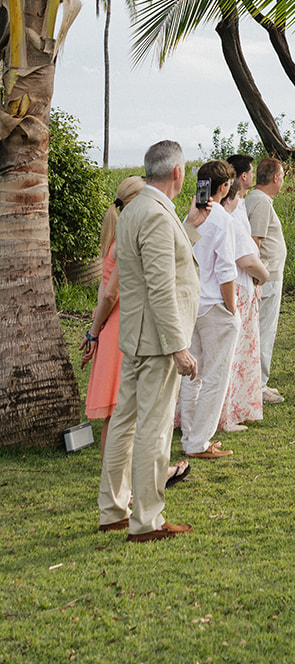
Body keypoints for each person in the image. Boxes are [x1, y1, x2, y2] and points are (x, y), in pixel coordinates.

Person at [96, 140, 201, 541]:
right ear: (178, 173)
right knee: (153, 429)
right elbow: (160, 286)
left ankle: (112, 508)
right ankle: (147, 519)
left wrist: (190, 225)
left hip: (136, 335)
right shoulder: (154, 213)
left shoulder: (136, 210)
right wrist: (179, 347)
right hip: (157, 340)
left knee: (124, 421)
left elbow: (159, 265)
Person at [179, 161, 240, 461]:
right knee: (215, 375)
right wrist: (232, 308)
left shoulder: (189, 217)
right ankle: (198, 440)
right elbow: (226, 269)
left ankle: (191, 435)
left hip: (192, 302)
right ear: (224, 187)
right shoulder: (222, 220)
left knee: (194, 373)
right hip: (215, 303)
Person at [82, 177, 145, 450]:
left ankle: (118, 475)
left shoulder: (115, 239)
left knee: (118, 412)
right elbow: (110, 295)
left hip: (113, 330)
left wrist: (95, 332)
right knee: (121, 412)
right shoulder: (125, 243)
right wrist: (95, 331)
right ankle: (117, 476)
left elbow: (102, 294)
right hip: (123, 329)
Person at [216, 177, 268, 432]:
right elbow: (245, 259)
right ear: (229, 195)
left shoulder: (198, 218)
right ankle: (228, 413)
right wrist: (264, 275)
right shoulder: (228, 220)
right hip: (236, 292)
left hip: (220, 292)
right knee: (234, 356)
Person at [245, 157, 287, 403]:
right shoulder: (260, 202)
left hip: (269, 275)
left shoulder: (258, 200)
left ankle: (260, 381)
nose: (282, 180)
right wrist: (260, 275)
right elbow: (255, 242)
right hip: (267, 278)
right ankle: (257, 385)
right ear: (274, 178)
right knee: (264, 330)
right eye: (281, 176)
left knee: (263, 330)